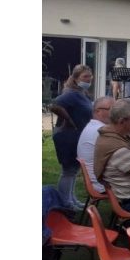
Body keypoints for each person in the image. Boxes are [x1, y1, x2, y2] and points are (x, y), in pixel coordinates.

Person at [50, 64, 95, 208]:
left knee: (74, 170)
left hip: (76, 135)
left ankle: (71, 199)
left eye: (90, 76)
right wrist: (68, 119)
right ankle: (65, 203)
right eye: (85, 76)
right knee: (68, 170)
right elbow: (54, 105)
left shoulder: (83, 93)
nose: (88, 79)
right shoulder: (71, 93)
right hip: (67, 136)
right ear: (76, 79)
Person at [76, 96, 117, 194]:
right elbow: (123, 153)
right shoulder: (100, 130)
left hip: (97, 181)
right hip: (103, 185)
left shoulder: (93, 126)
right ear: (98, 111)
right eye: (113, 110)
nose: (117, 114)